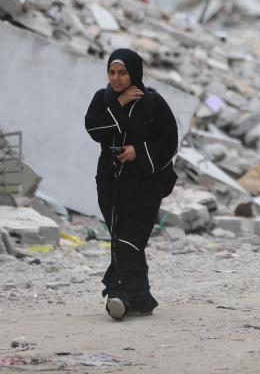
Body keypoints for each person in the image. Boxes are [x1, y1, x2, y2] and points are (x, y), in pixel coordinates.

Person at [84, 48, 179, 321]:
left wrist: (138, 151)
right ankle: (140, 299)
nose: (116, 78)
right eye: (112, 72)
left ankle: (120, 295)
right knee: (120, 239)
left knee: (129, 241)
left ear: (134, 73)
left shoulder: (152, 102)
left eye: (122, 73)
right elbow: (94, 129)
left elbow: (170, 141)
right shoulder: (102, 99)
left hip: (145, 184)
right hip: (110, 182)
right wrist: (119, 104)